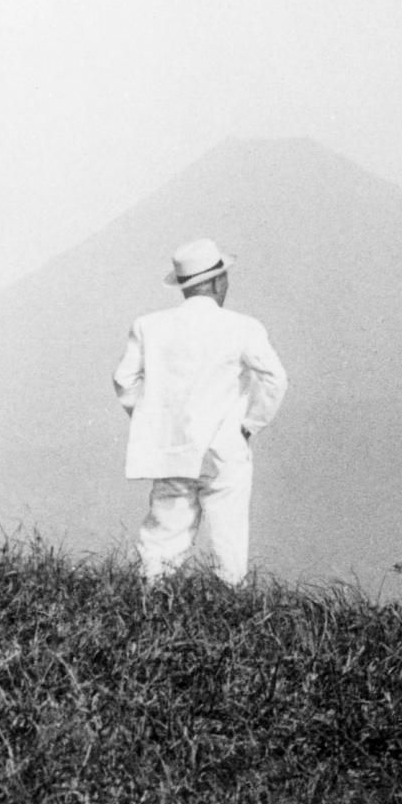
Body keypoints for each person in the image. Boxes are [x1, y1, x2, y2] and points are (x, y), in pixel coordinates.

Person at [113, 238, 288, 585]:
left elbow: (124, 379)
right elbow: (275, 379)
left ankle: (150, 601)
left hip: (172, 446)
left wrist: (150, 419)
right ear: (217, 281)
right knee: (228, 532)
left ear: (184, 286)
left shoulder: (148, 325)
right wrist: (251, 423)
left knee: (165, 531)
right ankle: (230, 605)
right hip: (225, 445)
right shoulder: (243, 326)